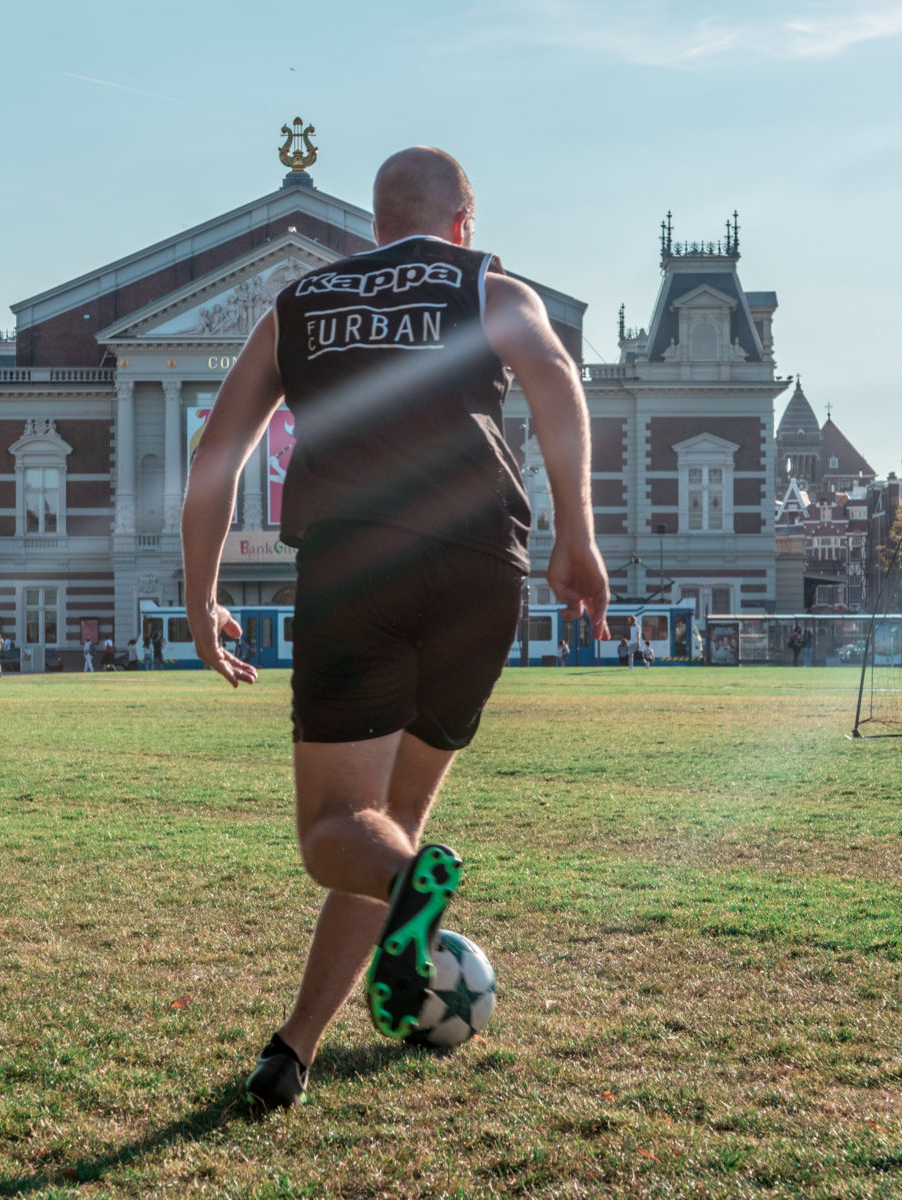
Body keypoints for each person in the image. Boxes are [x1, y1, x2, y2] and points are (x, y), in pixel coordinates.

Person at [180, 146, 609, 1110]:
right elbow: (553, 376)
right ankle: (293, 1050)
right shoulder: (487, 285)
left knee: (337, 831)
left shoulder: (301, 306)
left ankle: (416, 892)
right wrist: (576, 536)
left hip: (359, 565)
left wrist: (204, 598)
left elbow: (218, 456)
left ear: (373, 228)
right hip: (482, 572)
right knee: (386, 829)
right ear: (462, 222)